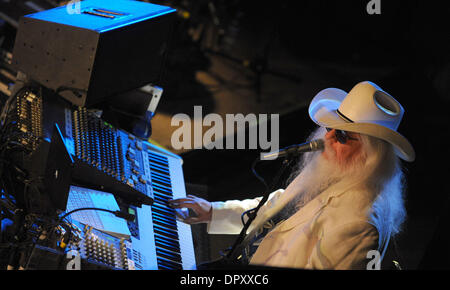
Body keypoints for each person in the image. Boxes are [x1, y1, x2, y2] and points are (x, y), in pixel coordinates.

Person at [169, 81, 415, 270]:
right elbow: (278, 208)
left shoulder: (359, 225)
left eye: (342, 136)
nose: (327, 138)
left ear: (370, 156)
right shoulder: (338, 169)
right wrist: (214, 212)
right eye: (331, 128)